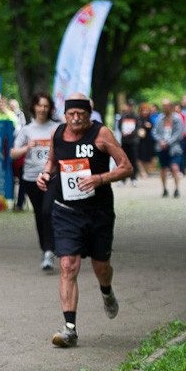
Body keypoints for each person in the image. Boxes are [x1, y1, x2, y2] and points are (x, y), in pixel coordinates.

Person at [36, 93, 132, 347]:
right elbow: (52, 162)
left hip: (98, 211)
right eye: (71, 115)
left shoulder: (101, 134)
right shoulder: (58, 134)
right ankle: (70, 329)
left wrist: (99, 179)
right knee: (68, 265)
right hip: (66, 210)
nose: (76, 119)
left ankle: (106, 291)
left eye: (81, 114)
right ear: (65, 115)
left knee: (101, 267)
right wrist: (45, 175)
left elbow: (126, 167)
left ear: (90, 115)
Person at [10, 91, 58, 270]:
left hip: (51, 177)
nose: (43, 109)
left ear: (50, 108)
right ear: (34, 107)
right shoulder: (27, 130)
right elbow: (13, 154)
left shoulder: (57, 127)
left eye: (46, 106)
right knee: (39, 214)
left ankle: (50, 249)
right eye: (40, 105)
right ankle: (46, 249)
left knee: (48, 211)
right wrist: (26, 148)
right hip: (31, 178)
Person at [152, 99, 184, 198]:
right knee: (162, 169)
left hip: (174, 148)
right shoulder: (160, 118)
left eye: (166, 106)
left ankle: (176, 188)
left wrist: (168, 142)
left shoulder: (177, 119)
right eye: (163, 106)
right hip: (161, 148)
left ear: (171, 106)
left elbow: (179, 134)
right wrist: (161, 141)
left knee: (175, 167)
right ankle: (164, 188)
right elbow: (155, 132)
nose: (164, 108)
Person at [116, 100, 140, 186]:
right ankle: (123, 179)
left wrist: (131, 133)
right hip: (125, 141)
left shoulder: (136, 117)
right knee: (124, 161)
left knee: (133, 160)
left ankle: (133, 178)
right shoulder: (123, 116)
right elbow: (119, 126)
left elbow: (138, 128)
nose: (130, 107)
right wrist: (123, 133)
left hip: (133, 142)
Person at [137, 102, 156, 177]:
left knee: (149, 156)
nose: (145, 112)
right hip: (141, 140)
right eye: (144, 110)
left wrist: (150, 126)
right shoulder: (139, 118)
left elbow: (153, 127)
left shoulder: (149, 118)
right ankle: (142, 171)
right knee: (140, 156)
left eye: (146, 110)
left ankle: (147, 170)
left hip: (149, 140)